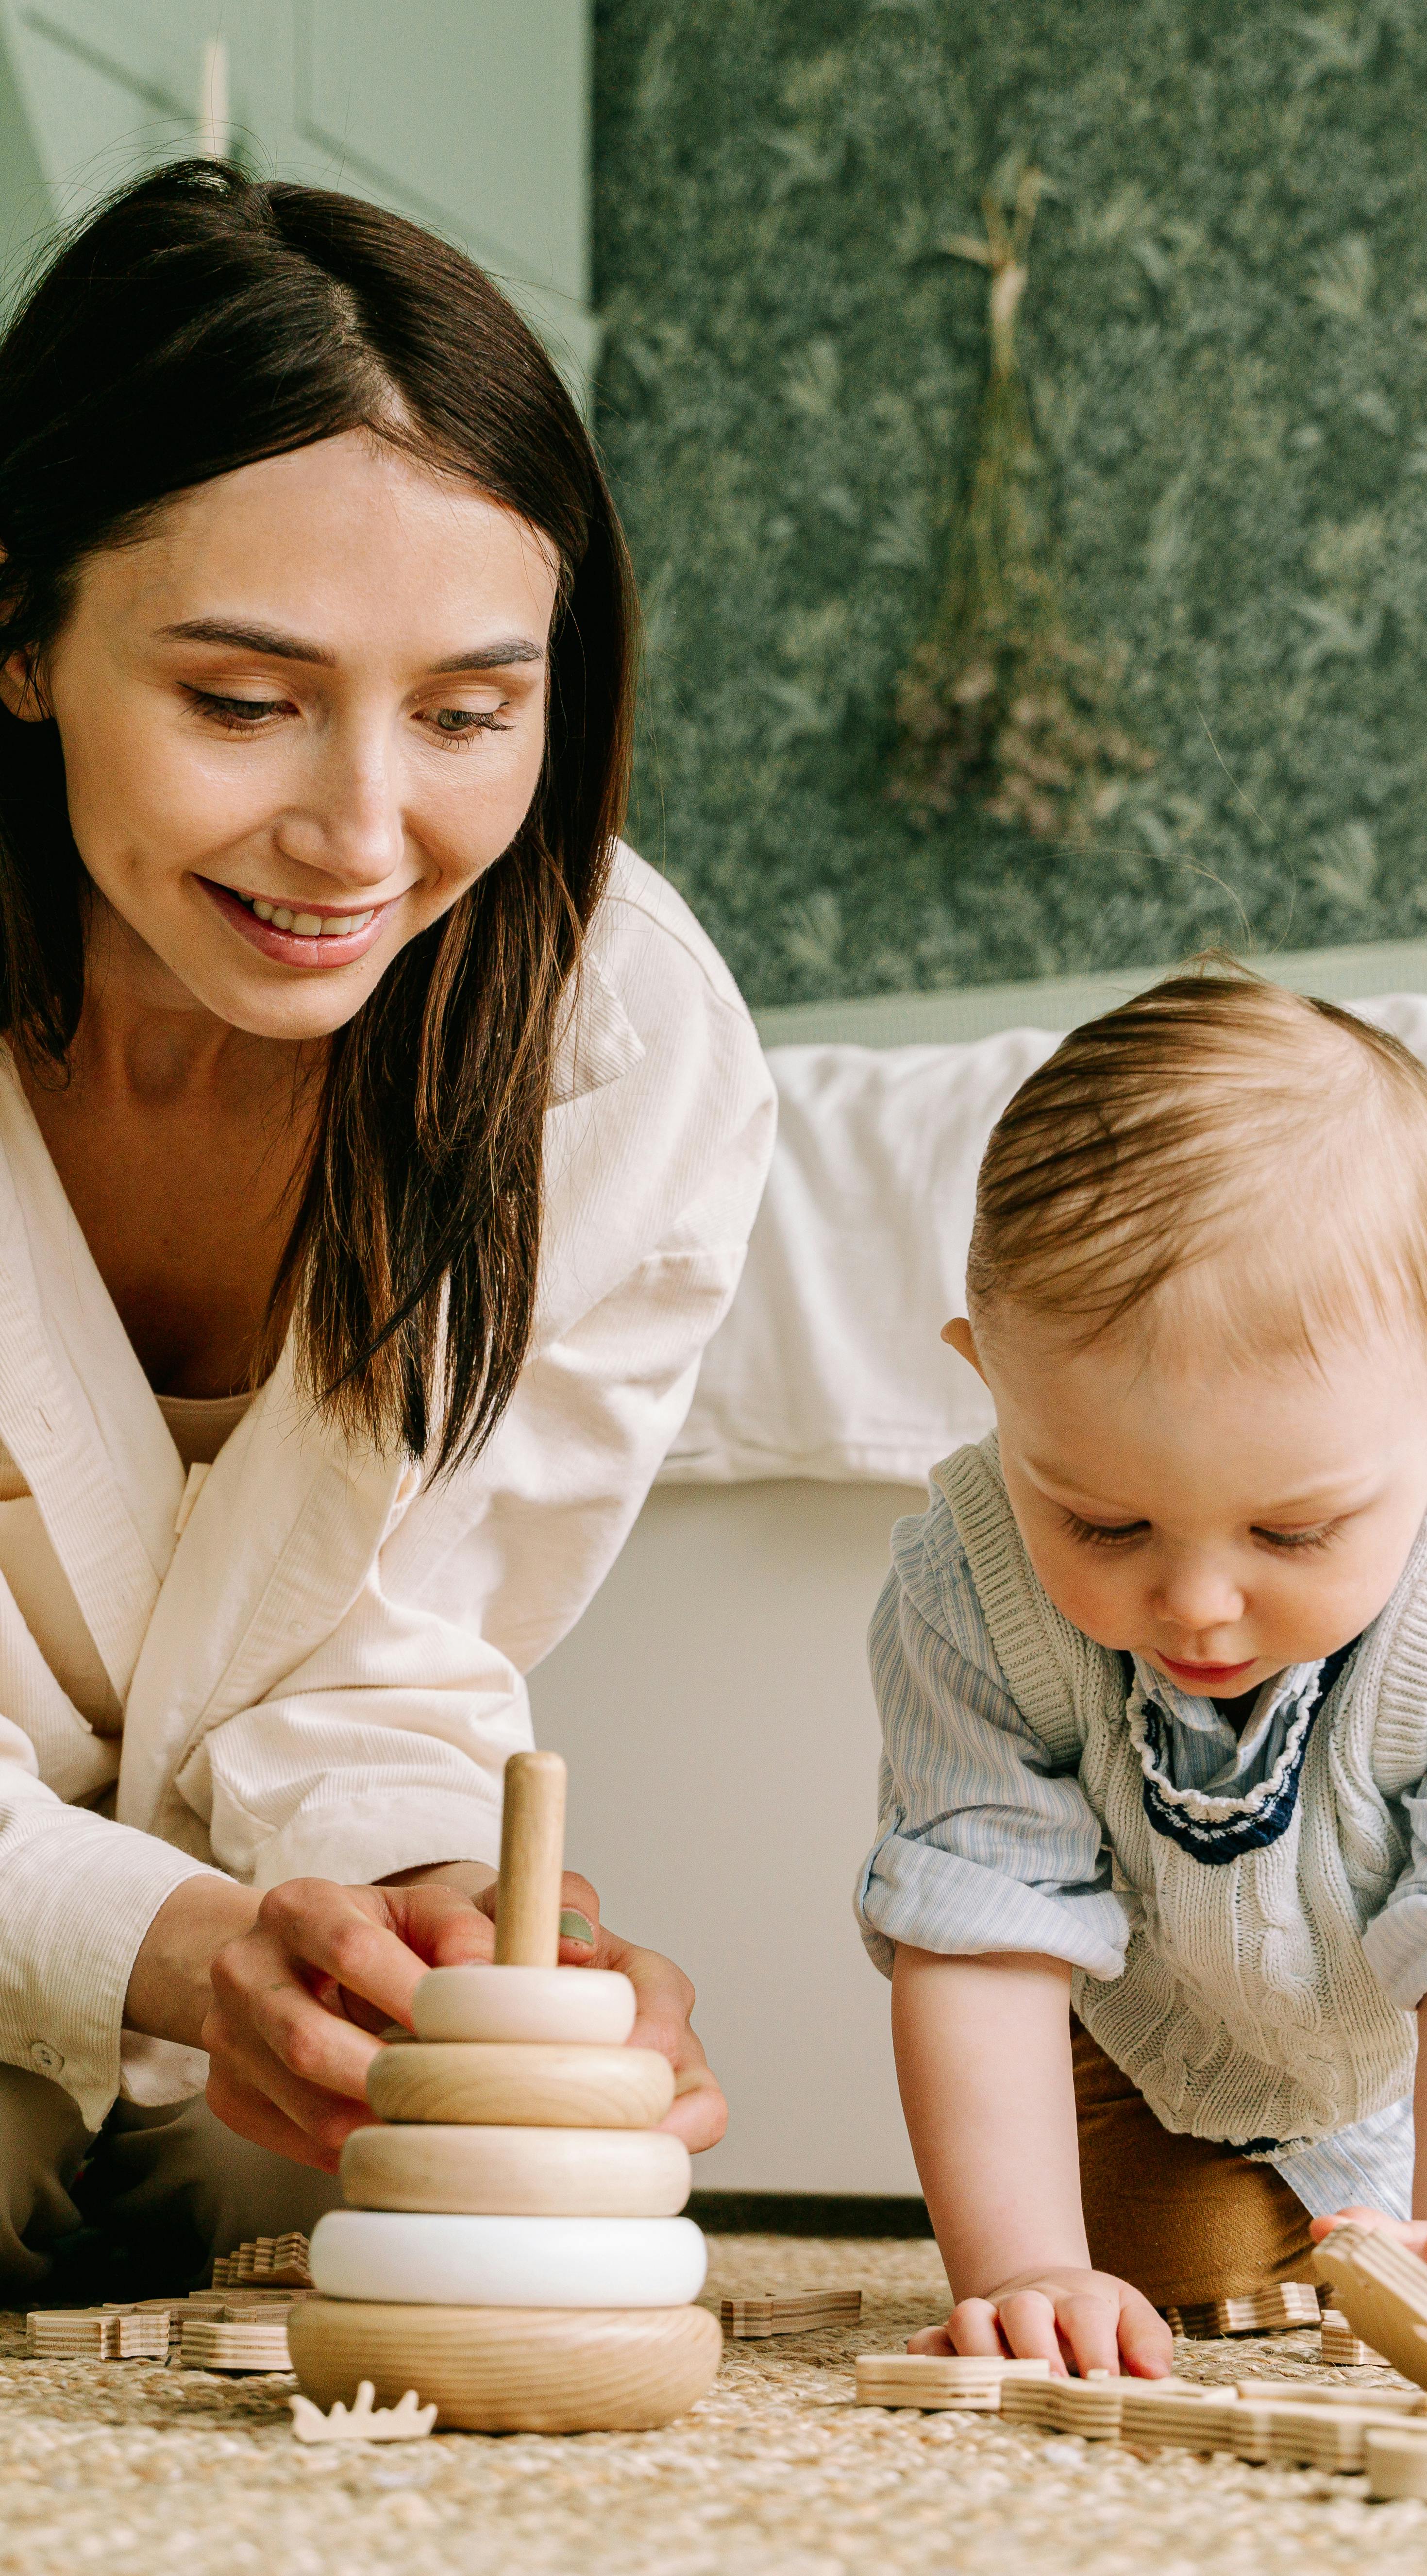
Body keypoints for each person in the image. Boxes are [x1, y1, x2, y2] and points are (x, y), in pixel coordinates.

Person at [0, 161, 775, 2293]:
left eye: (467, 710)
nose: (361, 837)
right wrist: (155, 1943)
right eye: (244, 702)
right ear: (20, 635)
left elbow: (392, 1641)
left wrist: (433, 1914)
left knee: (419, 2159)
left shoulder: (615, 1049)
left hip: (229, 1917)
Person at [856, 971, 1427, 2425]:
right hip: (1202, 2019)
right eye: (1106, 1525)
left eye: (1290, 1533)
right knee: (1139, 2274)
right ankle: (1353, 2197)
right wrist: (1020, 2270)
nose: (1194, 1605)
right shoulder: (960, 1578)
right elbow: (981, 1941)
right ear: (990, 1383)